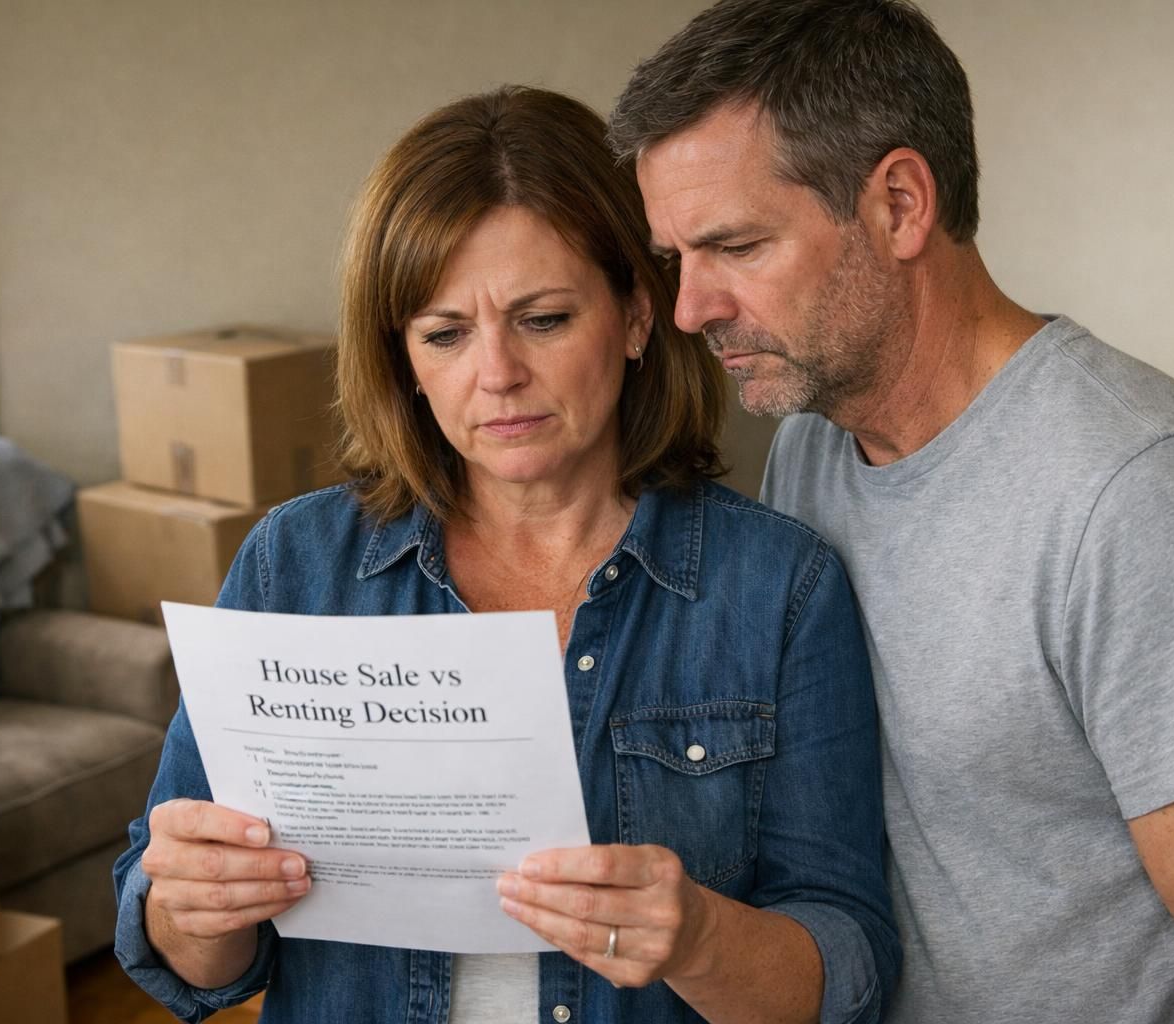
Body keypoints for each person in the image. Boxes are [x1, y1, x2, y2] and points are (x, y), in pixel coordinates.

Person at [610, 1, 1174, 1022]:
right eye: (675, 257)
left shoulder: (1139, 499)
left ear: (902, 205)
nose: (692, 309)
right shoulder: (812, 449)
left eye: (735, 246)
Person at [112, 85, 898, 1024]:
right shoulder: (294, 566)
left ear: (638, 316)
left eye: (545, 318)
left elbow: (846, 963)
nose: (497, 375)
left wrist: (699, 939)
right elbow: (191, 960)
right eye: (445, 334)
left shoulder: (779, 585)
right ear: (403, 359)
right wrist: (194, 911)